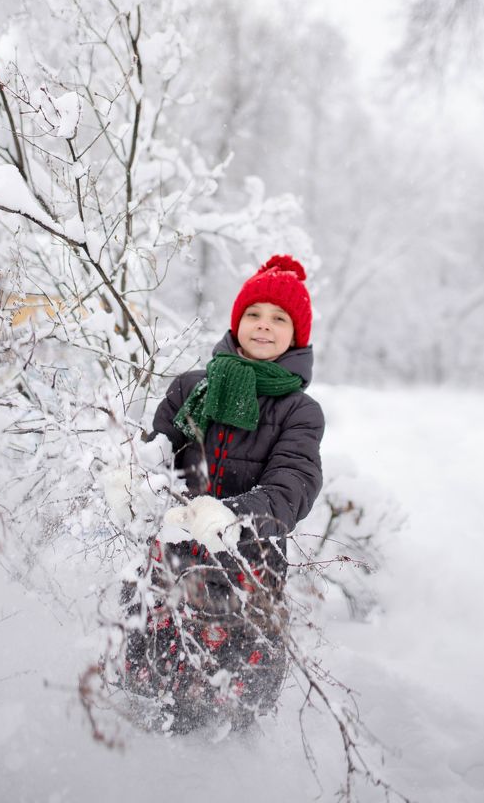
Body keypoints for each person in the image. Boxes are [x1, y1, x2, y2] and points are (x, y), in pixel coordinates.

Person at [123, 254, 325, 731]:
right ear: (237, 321)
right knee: (146, 688)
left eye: (279, 319)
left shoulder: (300, 411)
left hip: (246, 570)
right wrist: (133, 478)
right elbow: (160, 453)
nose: (263, 326)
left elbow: (291, 488)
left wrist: (230, 515)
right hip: (171, 558)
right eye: (253, 313)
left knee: (226, 706)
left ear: (296, 336)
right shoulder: (193, 386)